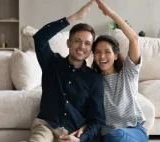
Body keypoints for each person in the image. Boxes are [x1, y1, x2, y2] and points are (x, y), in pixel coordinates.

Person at [28, 1, 105, 142]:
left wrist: (80, 139)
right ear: (68, 43)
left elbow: (97, 120)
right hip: (46, 126)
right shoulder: (51, 63)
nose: (82, 46)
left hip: (72, 133)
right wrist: (75, 16)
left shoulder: (94, 79)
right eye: (77, 41)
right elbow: (40, 38)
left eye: (87, 43)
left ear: (91, 49)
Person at [74, 0, 148, 141]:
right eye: (97, 52)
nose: (102, 56)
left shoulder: (128, 73)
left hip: (133, 131)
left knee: (116, 135)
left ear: (115, 55)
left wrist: (110, 13)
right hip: (107, 136)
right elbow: (91, 113)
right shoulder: (94, 82)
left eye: (107, 52)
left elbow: (134, 40)